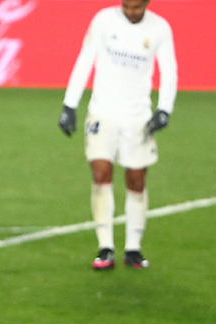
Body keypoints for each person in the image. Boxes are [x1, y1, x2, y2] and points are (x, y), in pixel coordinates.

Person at [57, 0, 177, 270]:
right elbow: (85, 59)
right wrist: (69, 105)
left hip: (138, 116)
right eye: (127, 5)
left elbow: (169, 70)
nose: (131, 11)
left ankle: (133, 248)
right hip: (102, 112)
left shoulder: (159, 28)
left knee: (136, 179)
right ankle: (105, 247)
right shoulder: (103, 20)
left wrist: (164, 109)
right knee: (100, 174)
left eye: (136, 7)